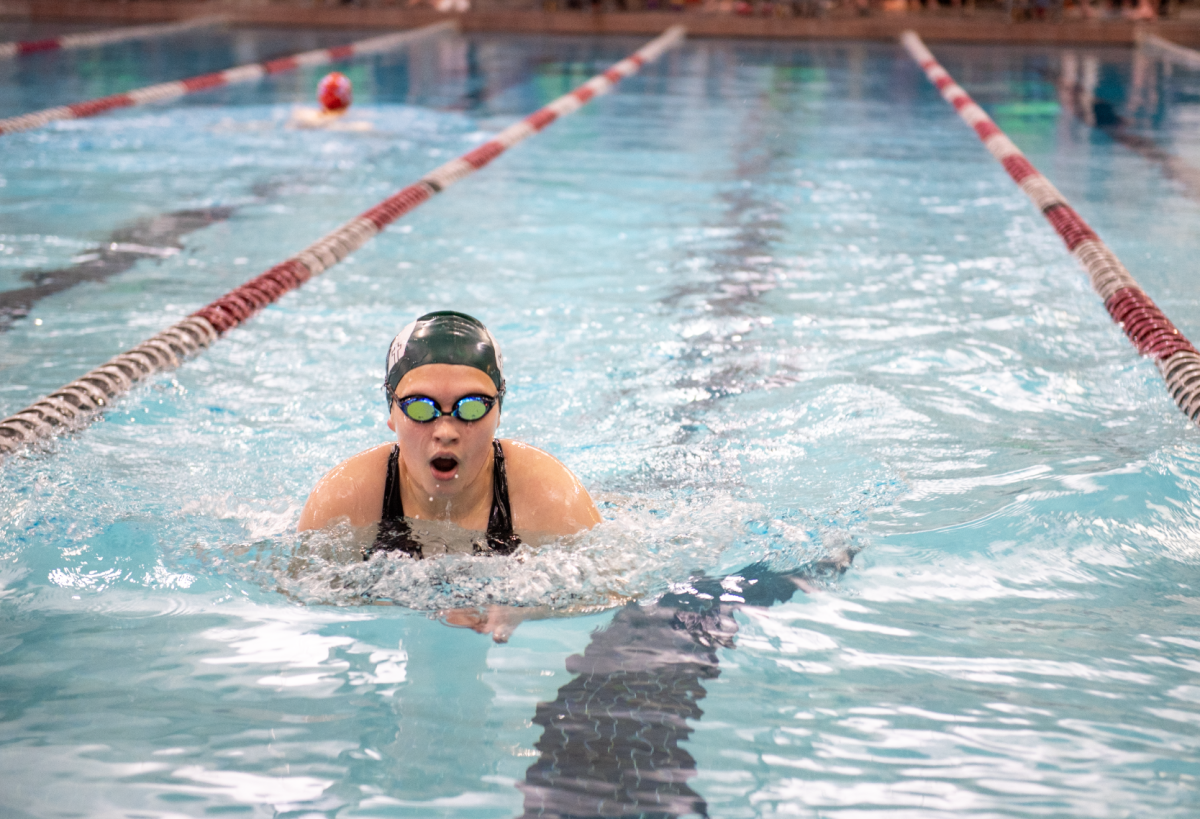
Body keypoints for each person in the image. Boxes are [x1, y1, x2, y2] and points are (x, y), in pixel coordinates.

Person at [298, 311, 601, 558]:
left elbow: (612, 595)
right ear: (392, 413)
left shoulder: (551, 498)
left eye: (470, 407)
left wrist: (519, 612)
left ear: (498, 413)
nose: (445, 432)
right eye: (420, 408)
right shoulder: (343, 501)